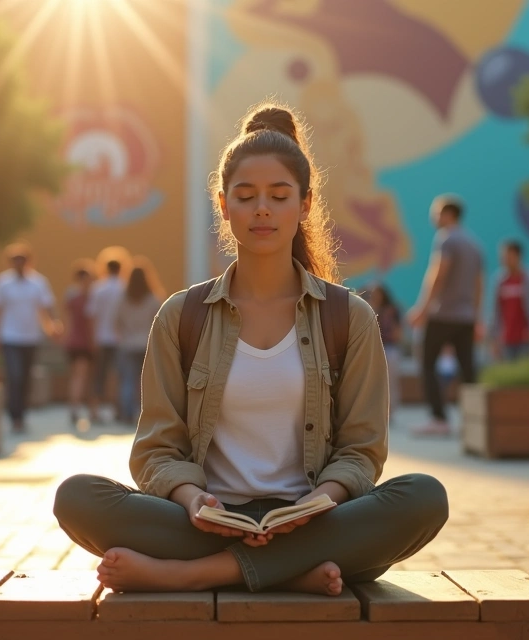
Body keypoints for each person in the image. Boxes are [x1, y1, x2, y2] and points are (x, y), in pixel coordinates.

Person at [53, 104, 447, 596]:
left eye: (279, 196)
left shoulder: (349, 316)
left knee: (424, 497)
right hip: (204, 521)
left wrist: (323, 500)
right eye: (246, 196)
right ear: (223, 205)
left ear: (304, 205)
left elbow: (361, 449)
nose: (262, 209)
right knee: (77, 496)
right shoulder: (182, 315)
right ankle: (295, 571)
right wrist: (193, 498)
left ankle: (198, 574)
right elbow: (156, 447)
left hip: (313, 520)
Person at [407, 194, 484, 437]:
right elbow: (480, 283)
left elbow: (438, 274)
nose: (434, 217)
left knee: (427, 363)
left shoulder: (446, 239)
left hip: (443, 314)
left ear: (448, 214)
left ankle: (439, 418)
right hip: (466, 317)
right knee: (468, 370)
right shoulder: (474, 244)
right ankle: (474, 421)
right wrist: (477, 316)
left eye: (437, 212)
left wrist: (422, 308)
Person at [0, 243, 63, 433]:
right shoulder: (2, 283)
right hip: (9, 337)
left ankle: (22, 413)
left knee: (26, 378)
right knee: (15, 375)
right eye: (15, 260)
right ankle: (14, 415)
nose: (19, 263)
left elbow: (47, 307)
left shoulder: (38, 283)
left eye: (22, 259)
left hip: (30, 338)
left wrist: (53, 325)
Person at [114, 260, 165, 426]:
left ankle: (127, 414)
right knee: (147, 382)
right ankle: (145, 414)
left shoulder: (122, 298)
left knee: (128, 380)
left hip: (127, 344)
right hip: (146, 344)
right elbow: (159, 323)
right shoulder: (152, 298)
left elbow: (117, 321)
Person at [487, 240, 529, 361]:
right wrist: (493, 338)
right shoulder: (499, 281)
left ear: (518, 256)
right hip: (506, 340)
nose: (505, 260)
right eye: (503, 257)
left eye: (509, 257)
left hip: (528, 339)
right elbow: (495, 311)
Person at [86, 256, 126, 422]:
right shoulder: (125, 288)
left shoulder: (98, 288)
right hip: (121, 339)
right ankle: (118, 409)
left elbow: (91, 315)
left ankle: (94, 411)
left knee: (99, 376)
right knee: (119, 375)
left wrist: (92, 338)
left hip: (101, 337)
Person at [64, 259, 99, 425]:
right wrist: (93, 343)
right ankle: (79, 409)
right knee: (85, 377)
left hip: (73, 341)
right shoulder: (90, 298)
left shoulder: (72, 297)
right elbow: (90, 323)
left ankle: (80, 408)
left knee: (78, 377)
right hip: (85, 343)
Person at [366, 282, 403, 420]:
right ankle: (375, 410)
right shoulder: (367, 308)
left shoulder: (392, 310)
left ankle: (390, 410)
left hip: (390, 348)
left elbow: (398, 333)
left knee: (390, 381)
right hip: (372, 348)